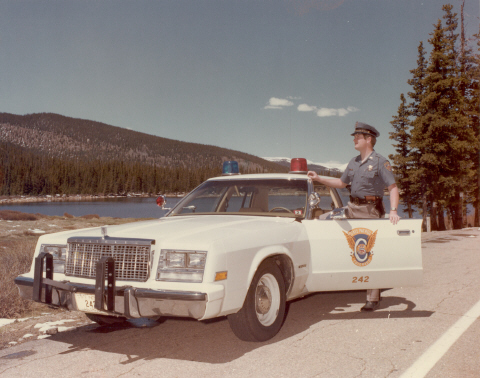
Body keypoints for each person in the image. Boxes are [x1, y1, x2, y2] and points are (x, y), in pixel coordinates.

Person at [307, 121, 400, 311]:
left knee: (367, 252)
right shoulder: (353, 162)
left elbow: (393, 187)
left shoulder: (381, 162)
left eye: (358, 137)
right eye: (354, 136)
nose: (354, 139)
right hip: (351, 208)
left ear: (369, 140)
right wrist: (318, 178)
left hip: (369, 210)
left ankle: (373, 298)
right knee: (322, 223)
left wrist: (393, 211)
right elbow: (341, 183)